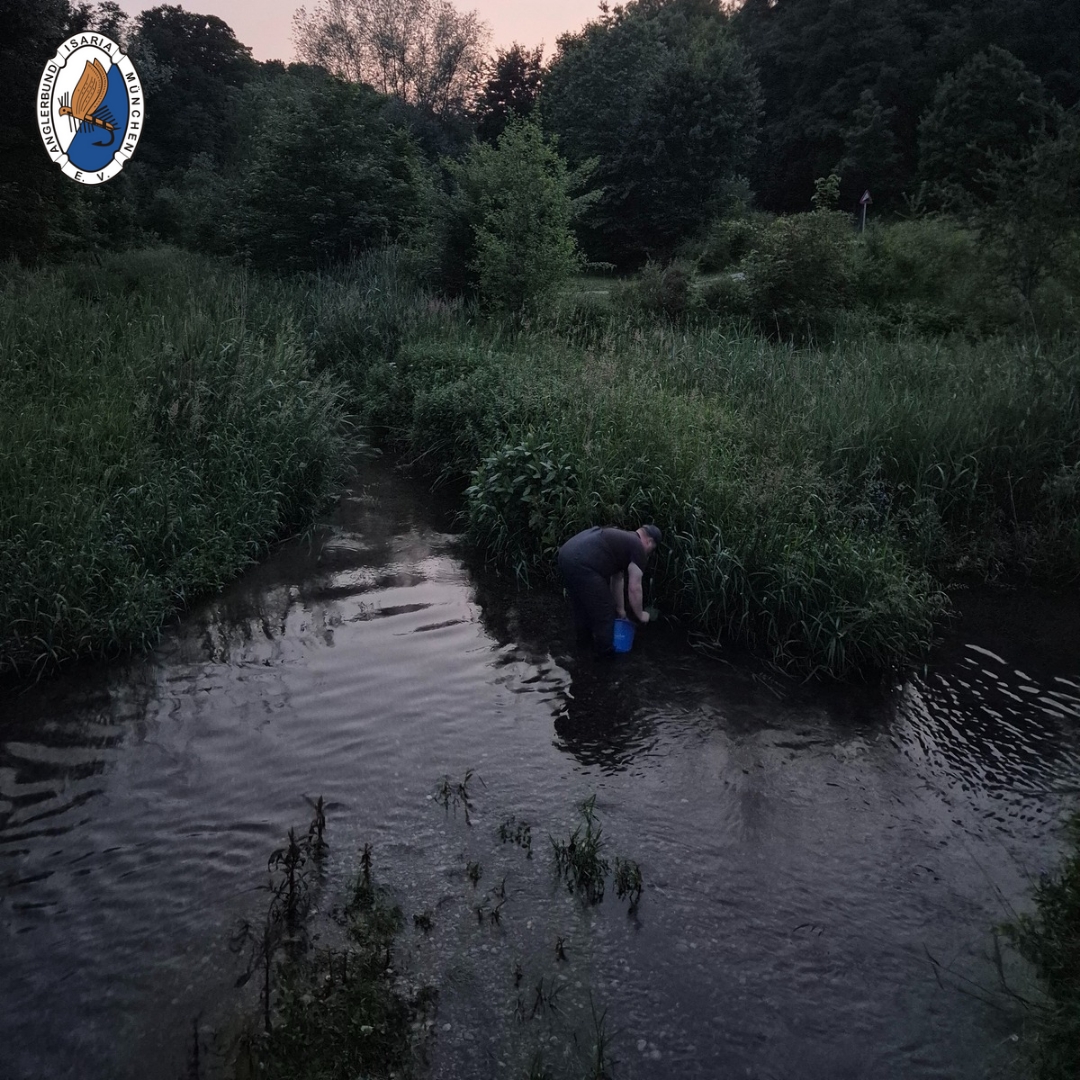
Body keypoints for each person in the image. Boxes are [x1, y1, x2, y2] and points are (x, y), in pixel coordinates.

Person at [557, 524, 661, 655]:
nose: (649, 553)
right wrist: (640, 615)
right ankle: (604, 660)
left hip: (565, 555)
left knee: (581, 608)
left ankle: (582, 650)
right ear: (649, 541)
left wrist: (621, 610)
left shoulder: (623, 539)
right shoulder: (638, 547)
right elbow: (634, 588)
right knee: (605, 612)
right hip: (583, 563)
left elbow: (617, 579)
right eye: (651, 549)